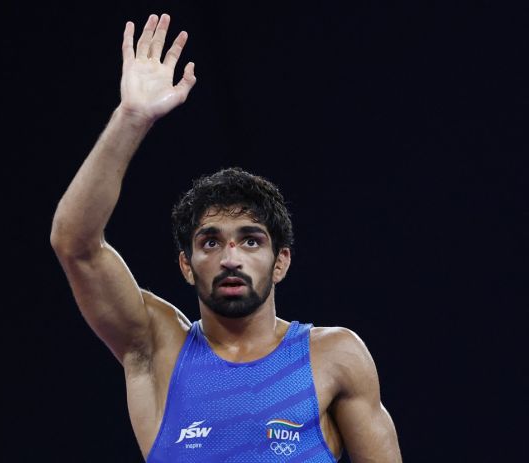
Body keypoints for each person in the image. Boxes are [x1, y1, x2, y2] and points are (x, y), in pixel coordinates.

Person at [50, 13, 402, 463]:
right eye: (211, 242)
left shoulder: (334, 358)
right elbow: (75, 244)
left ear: (281, 262)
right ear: (186, 263)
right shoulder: (157, 348)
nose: (230, 257)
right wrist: (131, 119)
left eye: (251, 241)